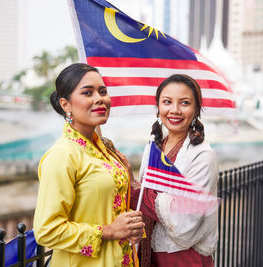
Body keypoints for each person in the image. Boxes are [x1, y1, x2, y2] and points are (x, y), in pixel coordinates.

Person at [33, 63, 145, 267]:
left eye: (103, 91)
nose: (99, 99)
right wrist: (110, 231)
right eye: (87, 92)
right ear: (65, 104)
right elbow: (46, 231)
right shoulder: (62, 155)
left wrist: (129, 228)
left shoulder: (104, 148)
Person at [130, 74, 219, 267]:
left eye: (185, 103)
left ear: (196, 110)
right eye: (167, 102)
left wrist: (137, 193)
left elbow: (185, 221)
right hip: (147, 251)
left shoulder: (203, 156)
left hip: (183, 258)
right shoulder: (153, 147)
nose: (175, 110)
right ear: (158, 108)